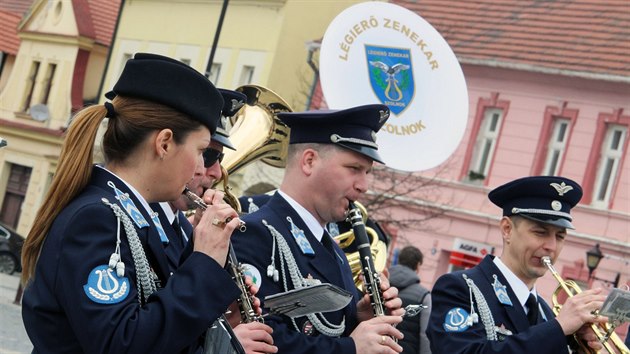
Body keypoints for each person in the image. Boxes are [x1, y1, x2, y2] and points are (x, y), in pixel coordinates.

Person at [20, 53, 246, 353]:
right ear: (164, 143)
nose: (202, 169)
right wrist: (203, 265)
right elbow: (122, 343)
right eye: (201, 150)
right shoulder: (97, 219)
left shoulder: (130, 215)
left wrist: (217, 313)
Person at [231, 105, 405, 354]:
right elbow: (262, 337)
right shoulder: (256, 233)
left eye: (367, 172)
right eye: (354, 169)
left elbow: (329, 328)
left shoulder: (331, 246)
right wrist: (352, 348)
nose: (364, 185)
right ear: (309, 161)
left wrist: (362, 318)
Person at [154, 88, 277, 353]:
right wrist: (221, 346)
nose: (218, 172)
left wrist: (224, 319)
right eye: (206, 154)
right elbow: (144, 336)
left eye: (218, 159)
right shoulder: (132, 223)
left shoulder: (180, 229)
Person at [427, 176, 610, 353]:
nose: (551, 246)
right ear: (507, 229)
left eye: (560, 236)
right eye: (540, 232)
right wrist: (557, 329)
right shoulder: (460, 288)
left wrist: (578, 347)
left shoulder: (547, 313)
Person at [389, 246, 432, 354]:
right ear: (418, 265)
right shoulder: (424, 296)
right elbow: (425, 335)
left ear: (399, 260)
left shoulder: (381, 284)